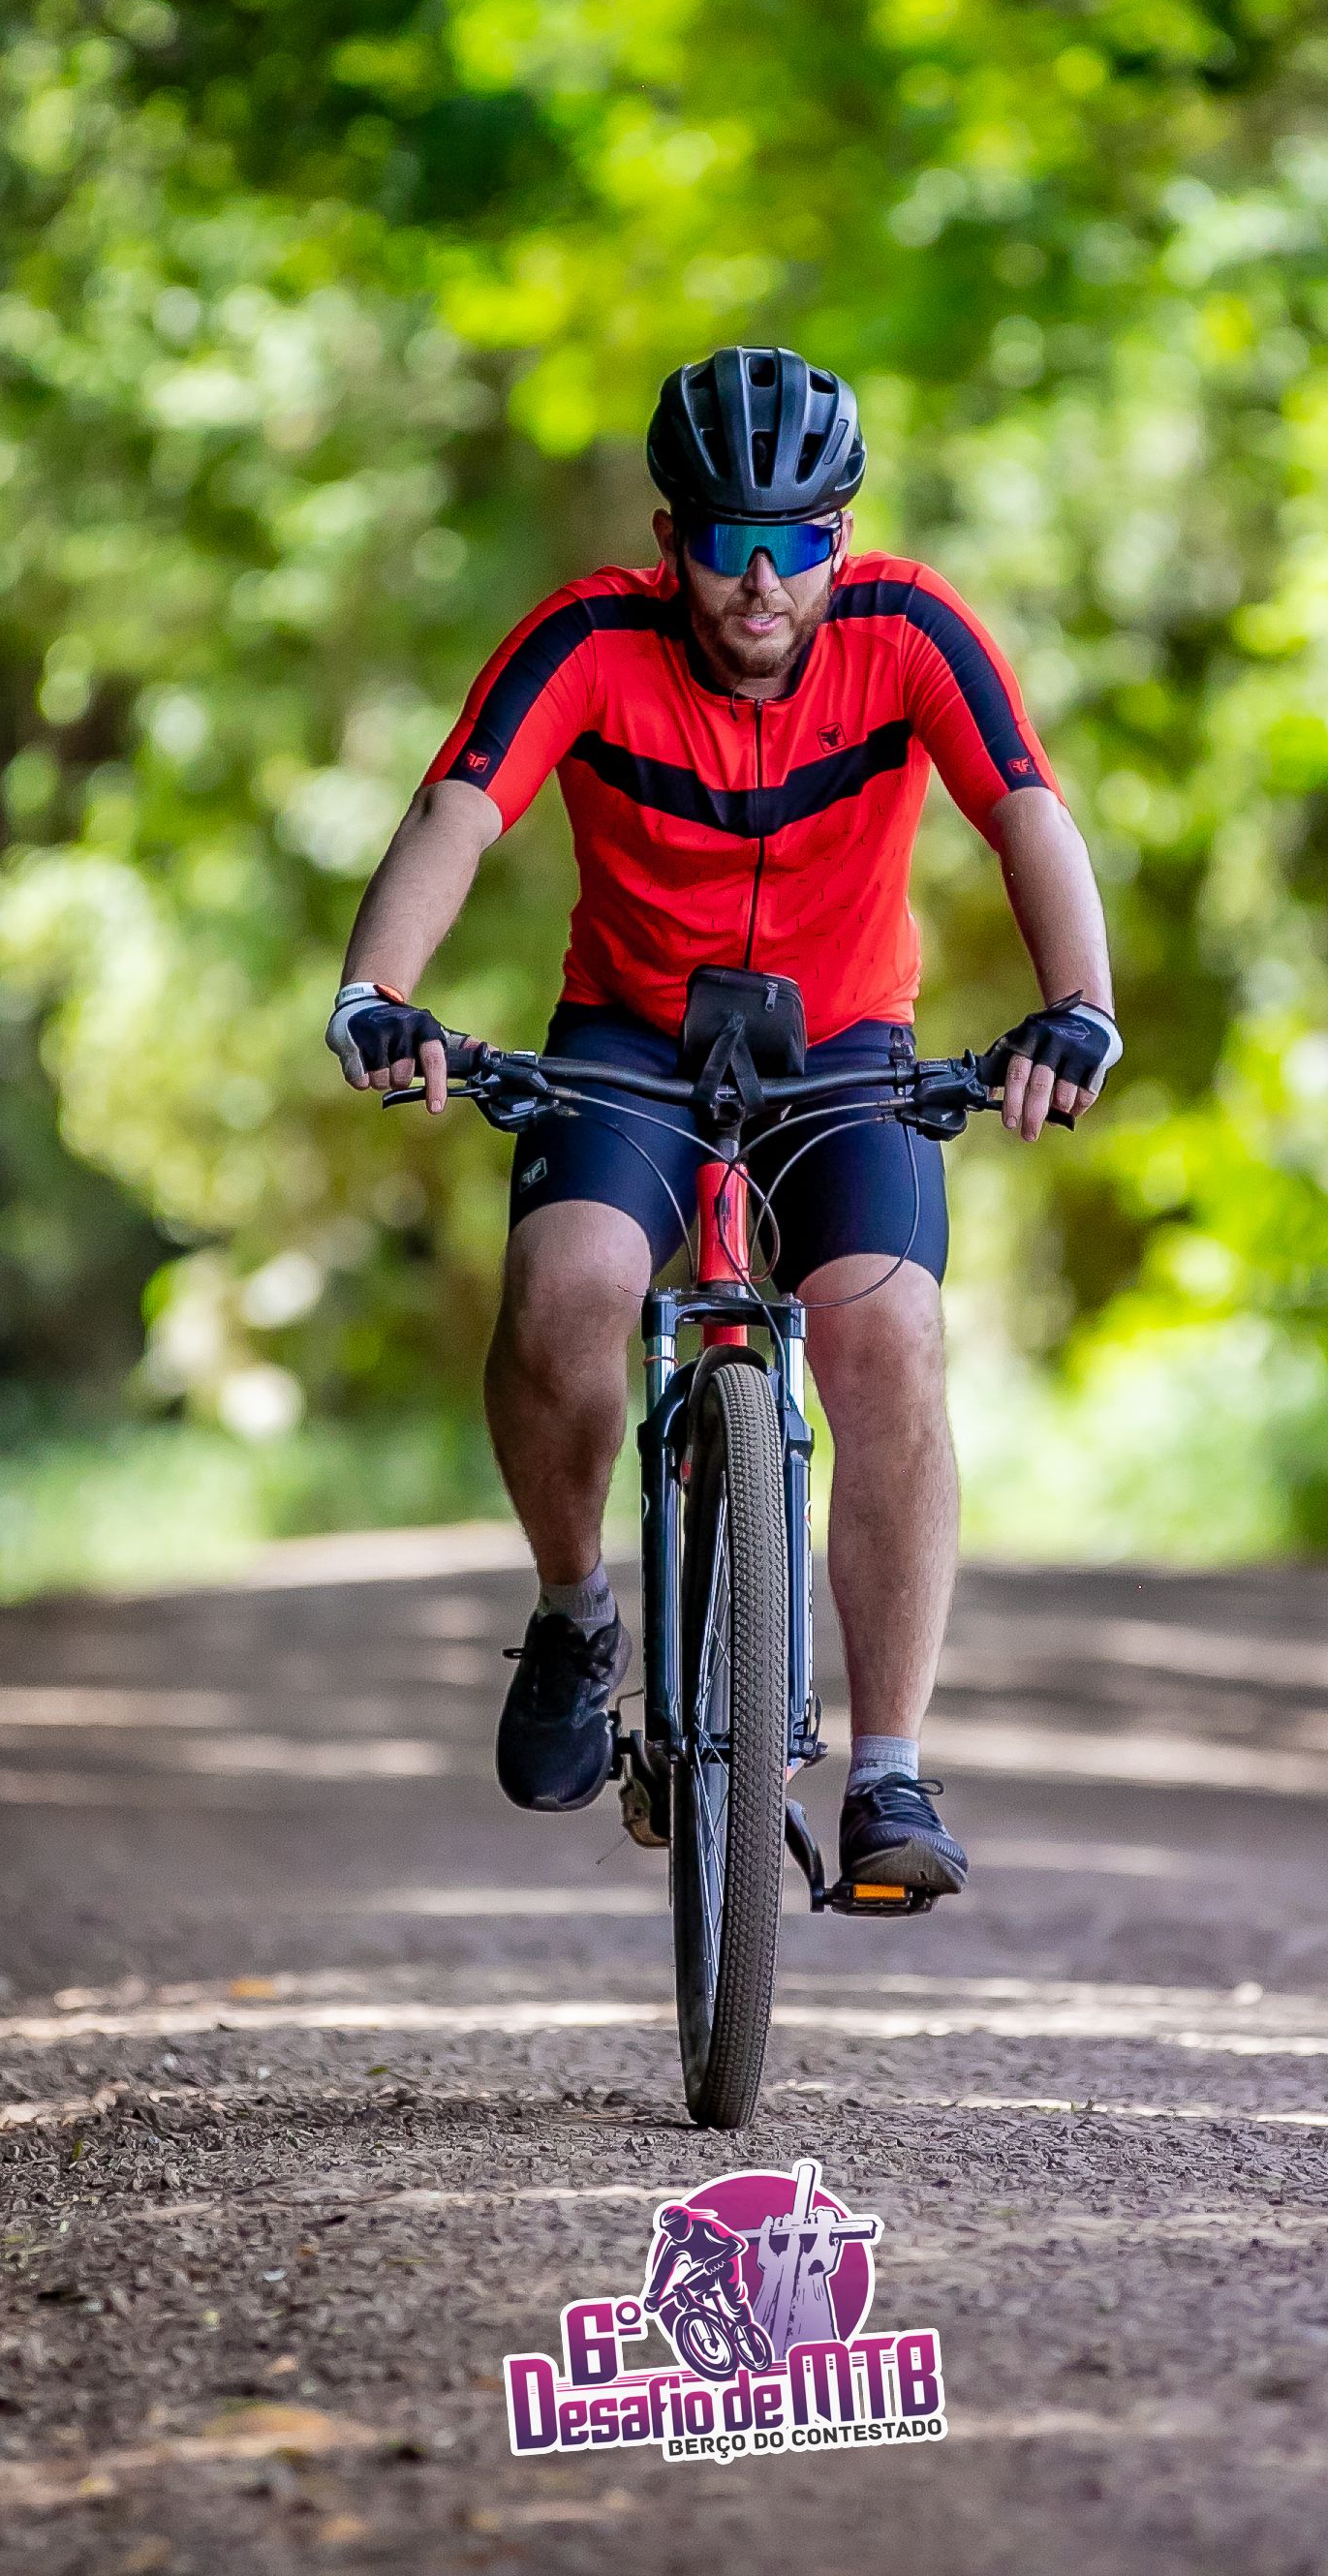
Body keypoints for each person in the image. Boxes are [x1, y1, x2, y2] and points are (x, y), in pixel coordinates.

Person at [323, 344, 1119, 1904]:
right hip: (628, 1043)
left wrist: (1078, 1006)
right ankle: (575, 1616)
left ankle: (889, 1772)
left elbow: (1028, 810)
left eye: (798, 540)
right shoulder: (587, 639)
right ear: (669, 536)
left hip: (845, 1048)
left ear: (843, 534)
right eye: (727, 541)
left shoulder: (911, 630)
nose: (763, 581)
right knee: (568, 1293)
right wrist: (377, 992)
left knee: (889, 1336)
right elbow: (455, 811)